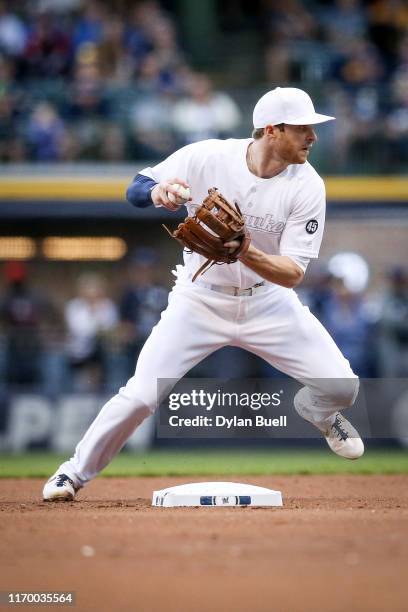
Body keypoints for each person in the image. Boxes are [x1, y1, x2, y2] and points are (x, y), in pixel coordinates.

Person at [43, 87, 364, 501]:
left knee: (343, 388)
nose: (312, 137)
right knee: (141, 395)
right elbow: (136, 187)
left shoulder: (307, 185)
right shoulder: (209, 156)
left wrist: (245, 250)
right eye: (303, 128)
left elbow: (292, 274)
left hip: (268, 301)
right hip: (199, 298)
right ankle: (72, 473)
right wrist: (157, 193)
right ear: (271, 130)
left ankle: (318, 411)